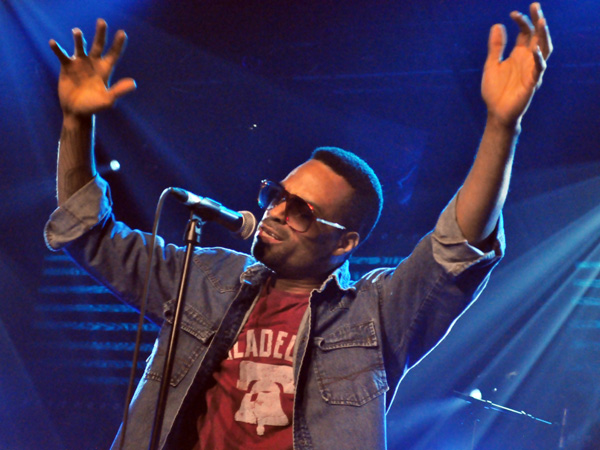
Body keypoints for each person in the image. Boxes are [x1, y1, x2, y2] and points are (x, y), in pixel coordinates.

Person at [44, 3, 552, 449]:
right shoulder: (204, 279)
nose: (276, 212)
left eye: (302, 211)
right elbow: (87, 234)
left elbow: (457, 249)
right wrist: (75, 123)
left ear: (345, 242)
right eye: (277, 196)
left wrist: (501, 127)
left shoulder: (376, 314)